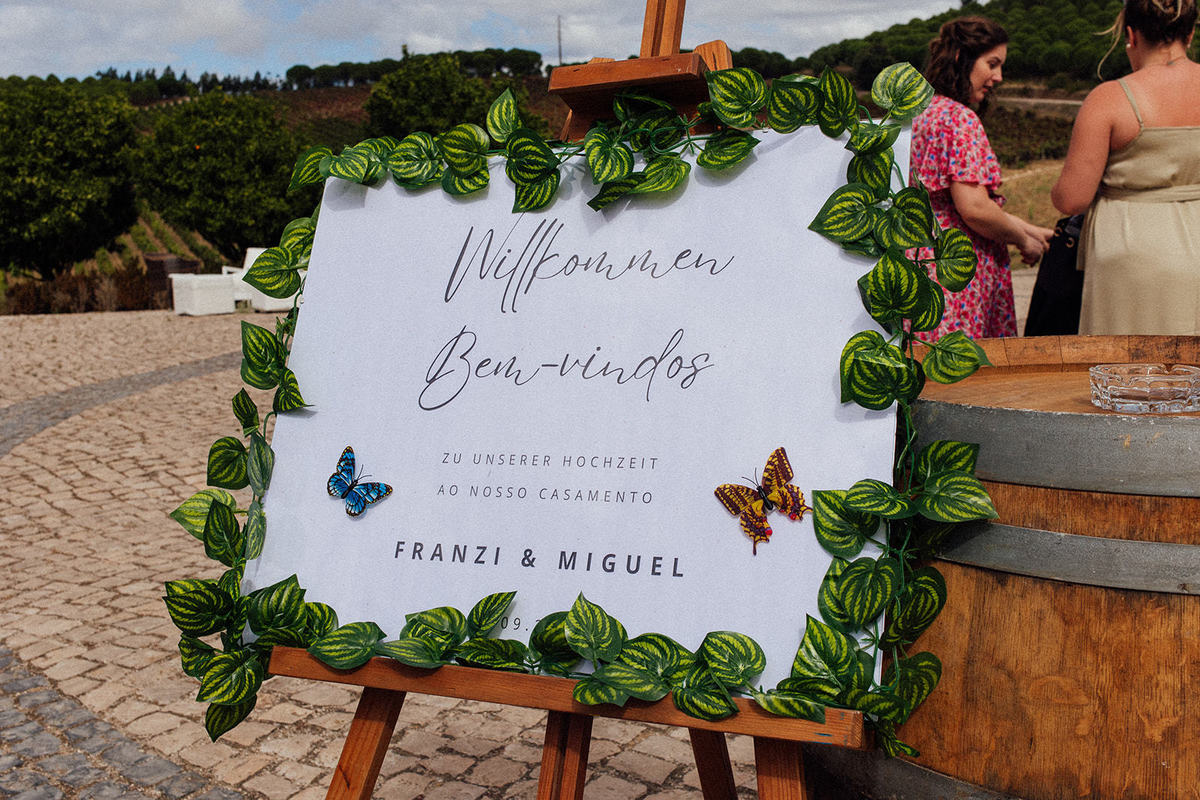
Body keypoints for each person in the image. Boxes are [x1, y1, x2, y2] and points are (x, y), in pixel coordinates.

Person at [1051, 0, 1200, 335]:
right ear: (1189, 34)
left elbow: (1071, 199)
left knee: (1128, 376)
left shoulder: (1110, 98)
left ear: (1131, 35)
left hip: (1130, 258)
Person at [910, 17, 1054, 341]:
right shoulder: (960, 119)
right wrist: (1022, 239)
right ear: (961, 57)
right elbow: (973, 209)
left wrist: (1033, 230)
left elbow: (947, 205)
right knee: (965, 386)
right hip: (956, 281)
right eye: (992, 63)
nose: (998, 77)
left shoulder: (920, 112)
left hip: (922, 264)